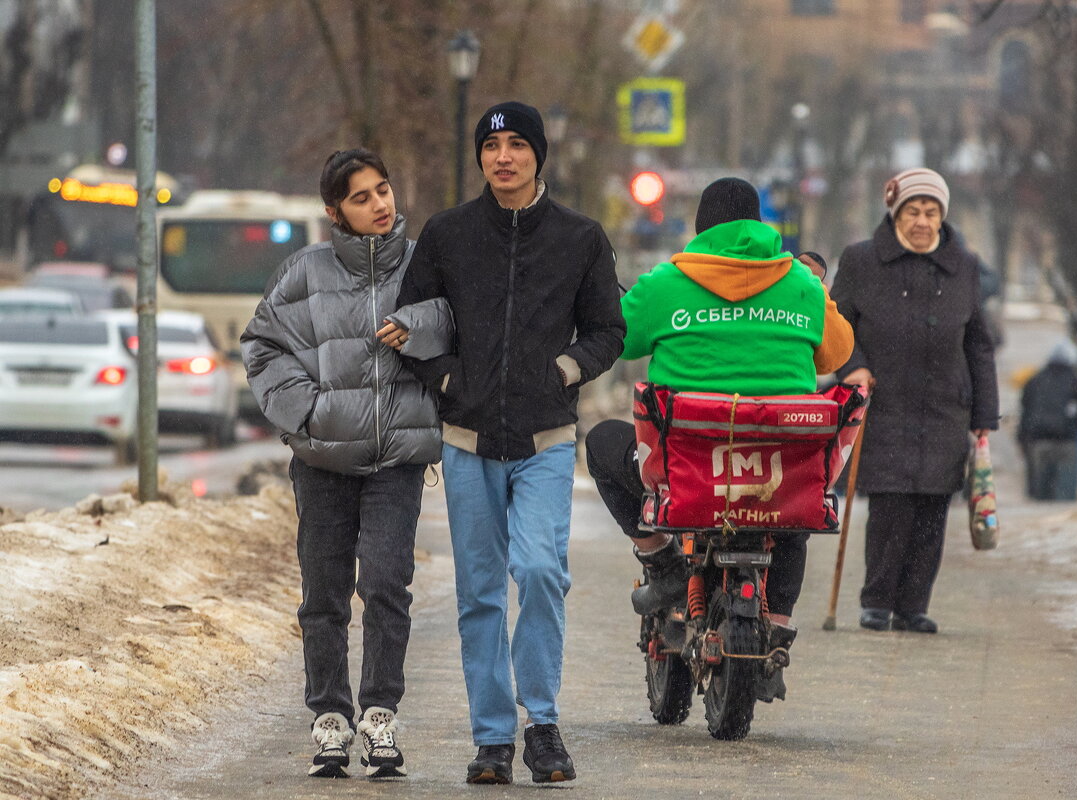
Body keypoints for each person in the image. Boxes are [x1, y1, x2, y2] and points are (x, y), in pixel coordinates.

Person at [386, 101, 624, 785]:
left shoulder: (580, 238)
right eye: (492, 146)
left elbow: (607, 329)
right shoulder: (449, 234)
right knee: (481, 593)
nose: (504, 157)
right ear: (481, 157)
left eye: (518, 144)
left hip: (544, 439)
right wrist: (445, 376)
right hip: (467, 438)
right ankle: (493, 739)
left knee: (542, 572)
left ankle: (541, 724)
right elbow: (413, 324)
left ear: (538, 155)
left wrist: (564, 369)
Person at [584, 177, 854, 702]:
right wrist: (813, 296)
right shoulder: (799, 284)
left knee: (601, 444)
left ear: (701, 229)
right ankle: (776, 625)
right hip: (774, 477)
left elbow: (623, 336)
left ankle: (660, 559)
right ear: (761, 225)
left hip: (689, 478)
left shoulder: (667, 283)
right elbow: (837, 353)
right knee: (792, 514)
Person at [241, 149, 451, 780]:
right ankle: (330, 718)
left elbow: (460, 329)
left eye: (383, 190)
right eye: (362, 197)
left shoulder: (425, 268)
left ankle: (380, 714)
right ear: (335, 211)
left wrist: (422, 328)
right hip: (323, 460)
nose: (380, 204)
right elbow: (261, 344)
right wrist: (304, 413)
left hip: (398, 461)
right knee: (324, 593)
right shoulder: (302, 273)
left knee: (388, 585)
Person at [830, 167, 999, 635]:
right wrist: (852, 366)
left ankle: (913, 606)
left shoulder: (962, 266)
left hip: (945, 406)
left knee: (933, 510)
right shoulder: (862, 261)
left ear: (942, 217)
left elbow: (978, 344)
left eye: (930, 212)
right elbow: (836, 324)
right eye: (912, 211)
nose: (922, 221)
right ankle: (876, 601)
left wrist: (984, 414)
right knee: (889, 506)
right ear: (895, 214)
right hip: (884, 407)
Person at [1018, 338, 1077, 500]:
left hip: (1038, 443)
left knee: (1040, 496)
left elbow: (1026, 410)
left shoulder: (1035, 381)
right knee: (1065, 496)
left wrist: (1023, 438)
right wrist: (1075, 425)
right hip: (1067, 442)